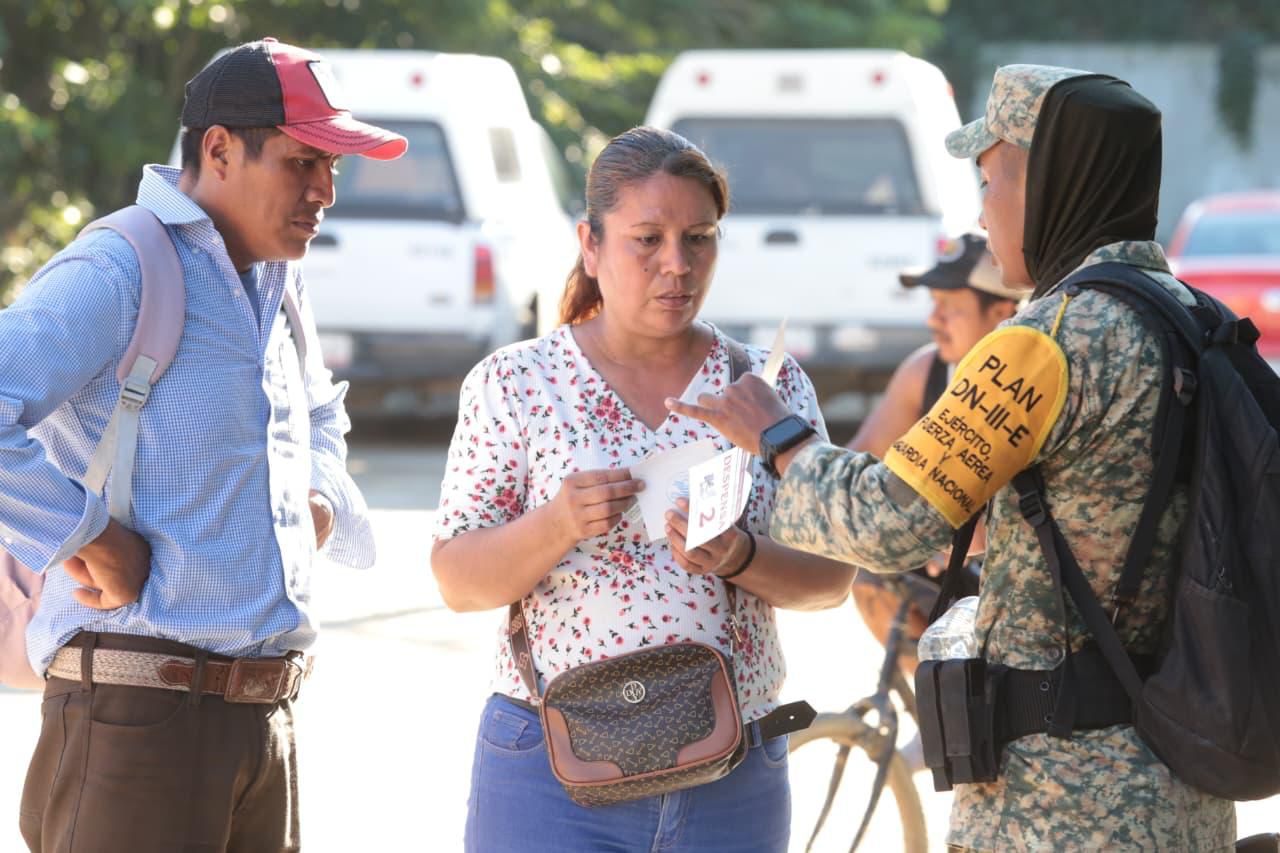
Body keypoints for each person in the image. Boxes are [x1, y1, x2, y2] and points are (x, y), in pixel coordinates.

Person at [666, 65, 1237, 849]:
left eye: (990, 181)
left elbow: (889, 520)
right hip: (1181, 772)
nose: (981, 209)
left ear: (1050, 183)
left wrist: (780, 436)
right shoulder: (1194, 316)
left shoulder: (1047, 340)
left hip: (1060, 799)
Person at [4, 38, 403, 851]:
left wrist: (314, 501)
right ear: (218, 149)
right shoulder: (121, 268)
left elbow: (322, 418)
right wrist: (84, 536)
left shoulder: (277, 280)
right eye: (303, 162)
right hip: (137, 719)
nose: (326, 190)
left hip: (263, 718)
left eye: (333, 166)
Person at [431, 126, 856, 853]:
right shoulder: (518, 383)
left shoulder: (766, 386)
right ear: (590, 245)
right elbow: (458, 581)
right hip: (551, 769)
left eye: (699, 239)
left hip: (730, 768)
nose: (676, 265)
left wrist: (739, 556)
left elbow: (833, 578)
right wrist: (557, 522)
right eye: (647, 239)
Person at [847, 233, 1019, 669]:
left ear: (1002, 312)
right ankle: (935, 715)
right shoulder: (925, 370)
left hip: (1013, 583)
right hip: (945, 564)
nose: (933, 319)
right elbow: (862, 457)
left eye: (951, 307)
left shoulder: (1027, 385)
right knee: (869, 574)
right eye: (933, 303)